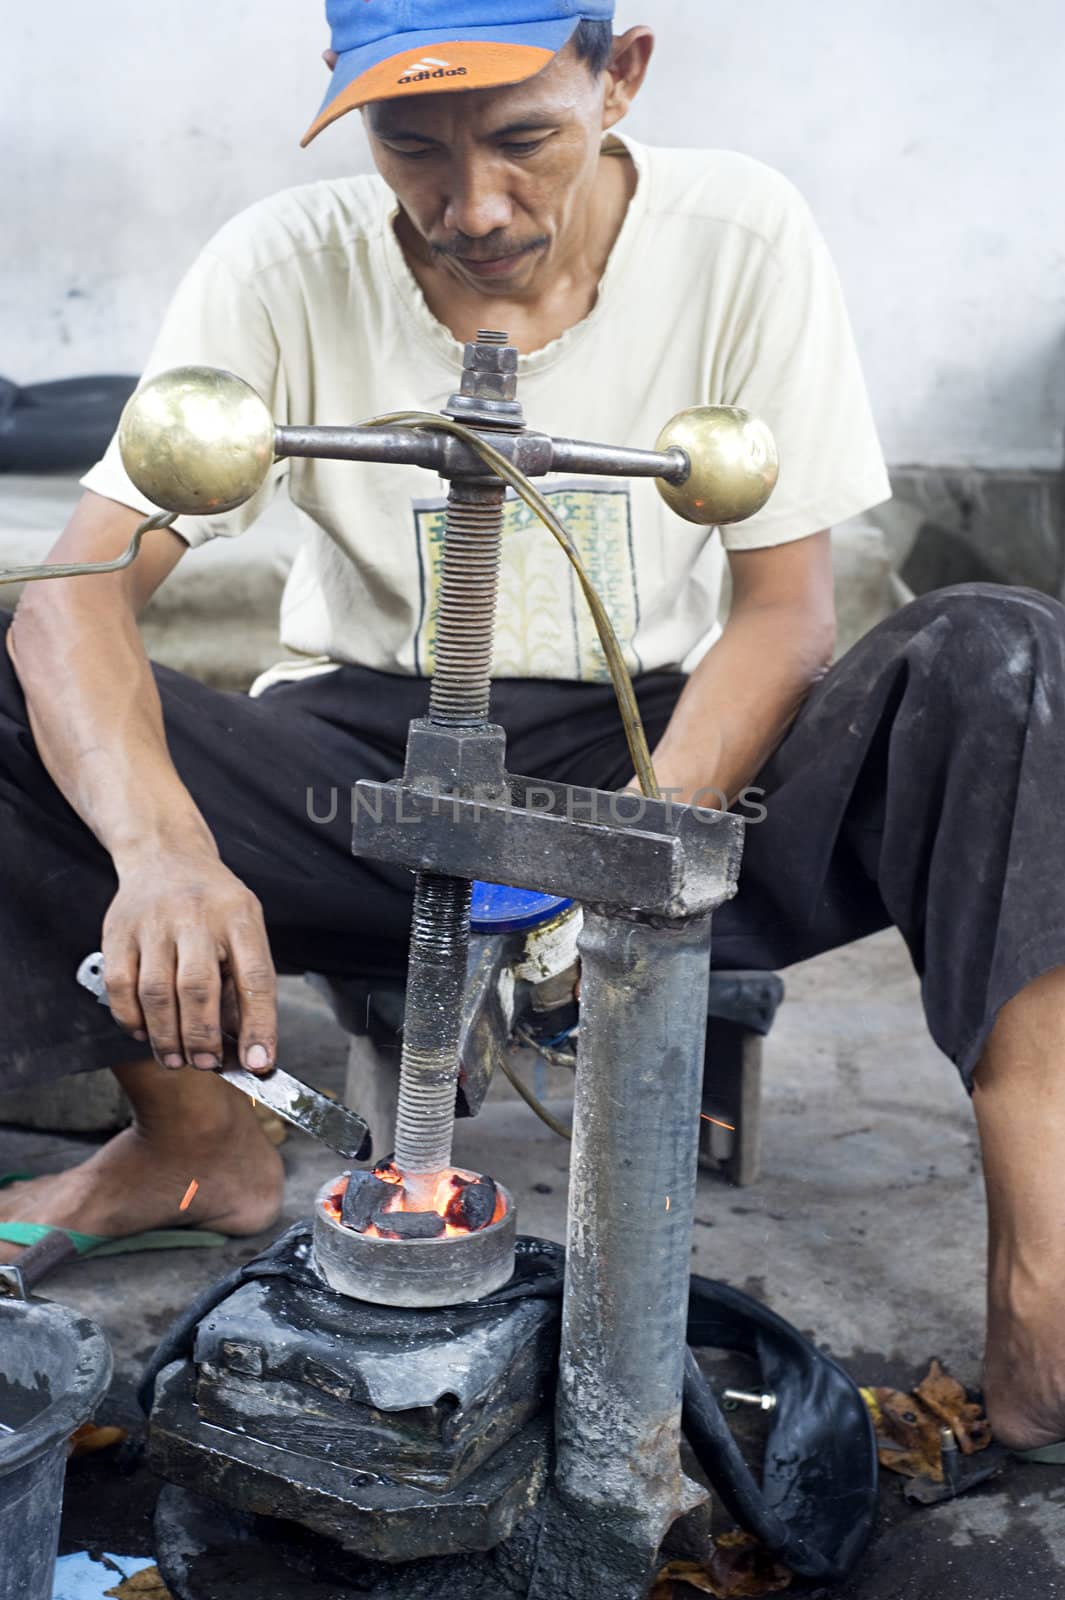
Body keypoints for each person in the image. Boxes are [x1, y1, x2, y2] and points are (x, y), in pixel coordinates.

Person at [2, 0, 1064, 1461]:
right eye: (409, 144)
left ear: (619, 76)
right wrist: (162, 851)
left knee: (999, 657)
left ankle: (1044, 1296)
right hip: (357, 771)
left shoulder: (740, 234)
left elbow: (781, 616)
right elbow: (74, 597)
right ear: (345, 107)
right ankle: (195, 1148)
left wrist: (627, 850)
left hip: (665, 747)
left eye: (523, 139)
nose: (472, 207)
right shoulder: (279, 263)